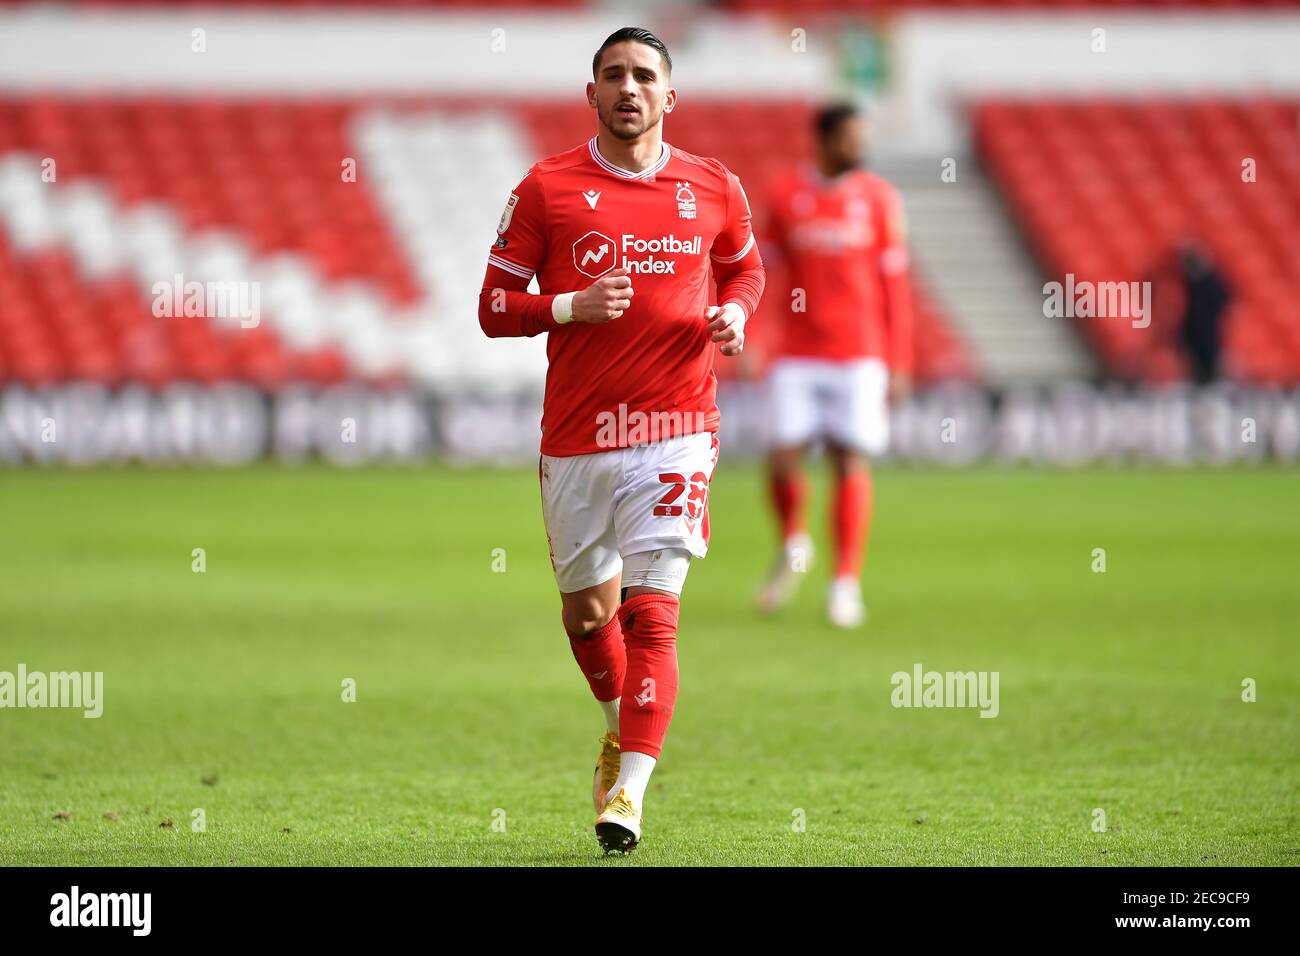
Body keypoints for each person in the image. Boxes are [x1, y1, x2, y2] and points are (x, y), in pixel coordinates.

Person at [478, 27, 765, 853]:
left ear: (670, 96)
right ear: (592, 94)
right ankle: (616, 728)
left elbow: (745, 267)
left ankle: (629, 796)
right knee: (587, 614)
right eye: (614, 76)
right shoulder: (547, 188)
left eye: (645, 76)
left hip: (678, 428)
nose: (629, 88)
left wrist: (736, 312)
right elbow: (494, 309)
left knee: (654, 615)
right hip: (577, 438)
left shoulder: (714, 187)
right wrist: (569, 305)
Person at [757, 103, 913, 628]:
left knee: (850, 460)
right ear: (823, 140)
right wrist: (754, 335)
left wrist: (899, 358)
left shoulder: (878, 200)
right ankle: (793, 543)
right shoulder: (785, 196)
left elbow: (895, 285)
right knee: (782, 457)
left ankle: (845, 582)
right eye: (850, 137)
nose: (859, 147)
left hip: (859, 352)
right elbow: (765, 275)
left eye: (862, 137)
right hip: (797, 352)